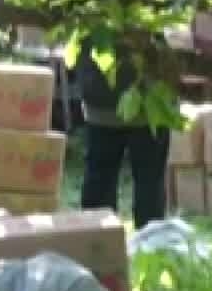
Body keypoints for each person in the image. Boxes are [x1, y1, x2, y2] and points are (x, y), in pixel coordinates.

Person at [72, 38, 169, 228]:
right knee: (149, 184)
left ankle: (98, 245)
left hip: (102, 99)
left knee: (100, 182)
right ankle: (150, 247)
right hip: (147, 104)